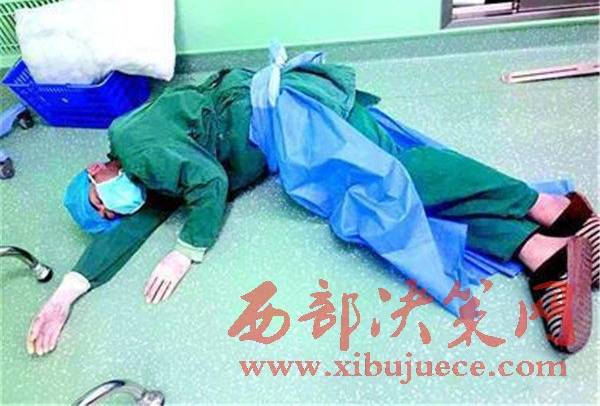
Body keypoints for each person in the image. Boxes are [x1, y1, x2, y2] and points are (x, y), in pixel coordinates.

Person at [27, 57, 598, 357]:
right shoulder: (148, 175)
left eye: (103, 204)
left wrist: (186, 251)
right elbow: (134, 225)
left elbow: (207, 181)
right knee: (381, 206)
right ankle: (539, 247)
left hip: (290, 113)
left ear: (96, 171)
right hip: (287, 132)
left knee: (393, 184)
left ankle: (543, 206)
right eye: (111, 214)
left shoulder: (132, 142)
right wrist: (63, 296)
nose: (118, 211)